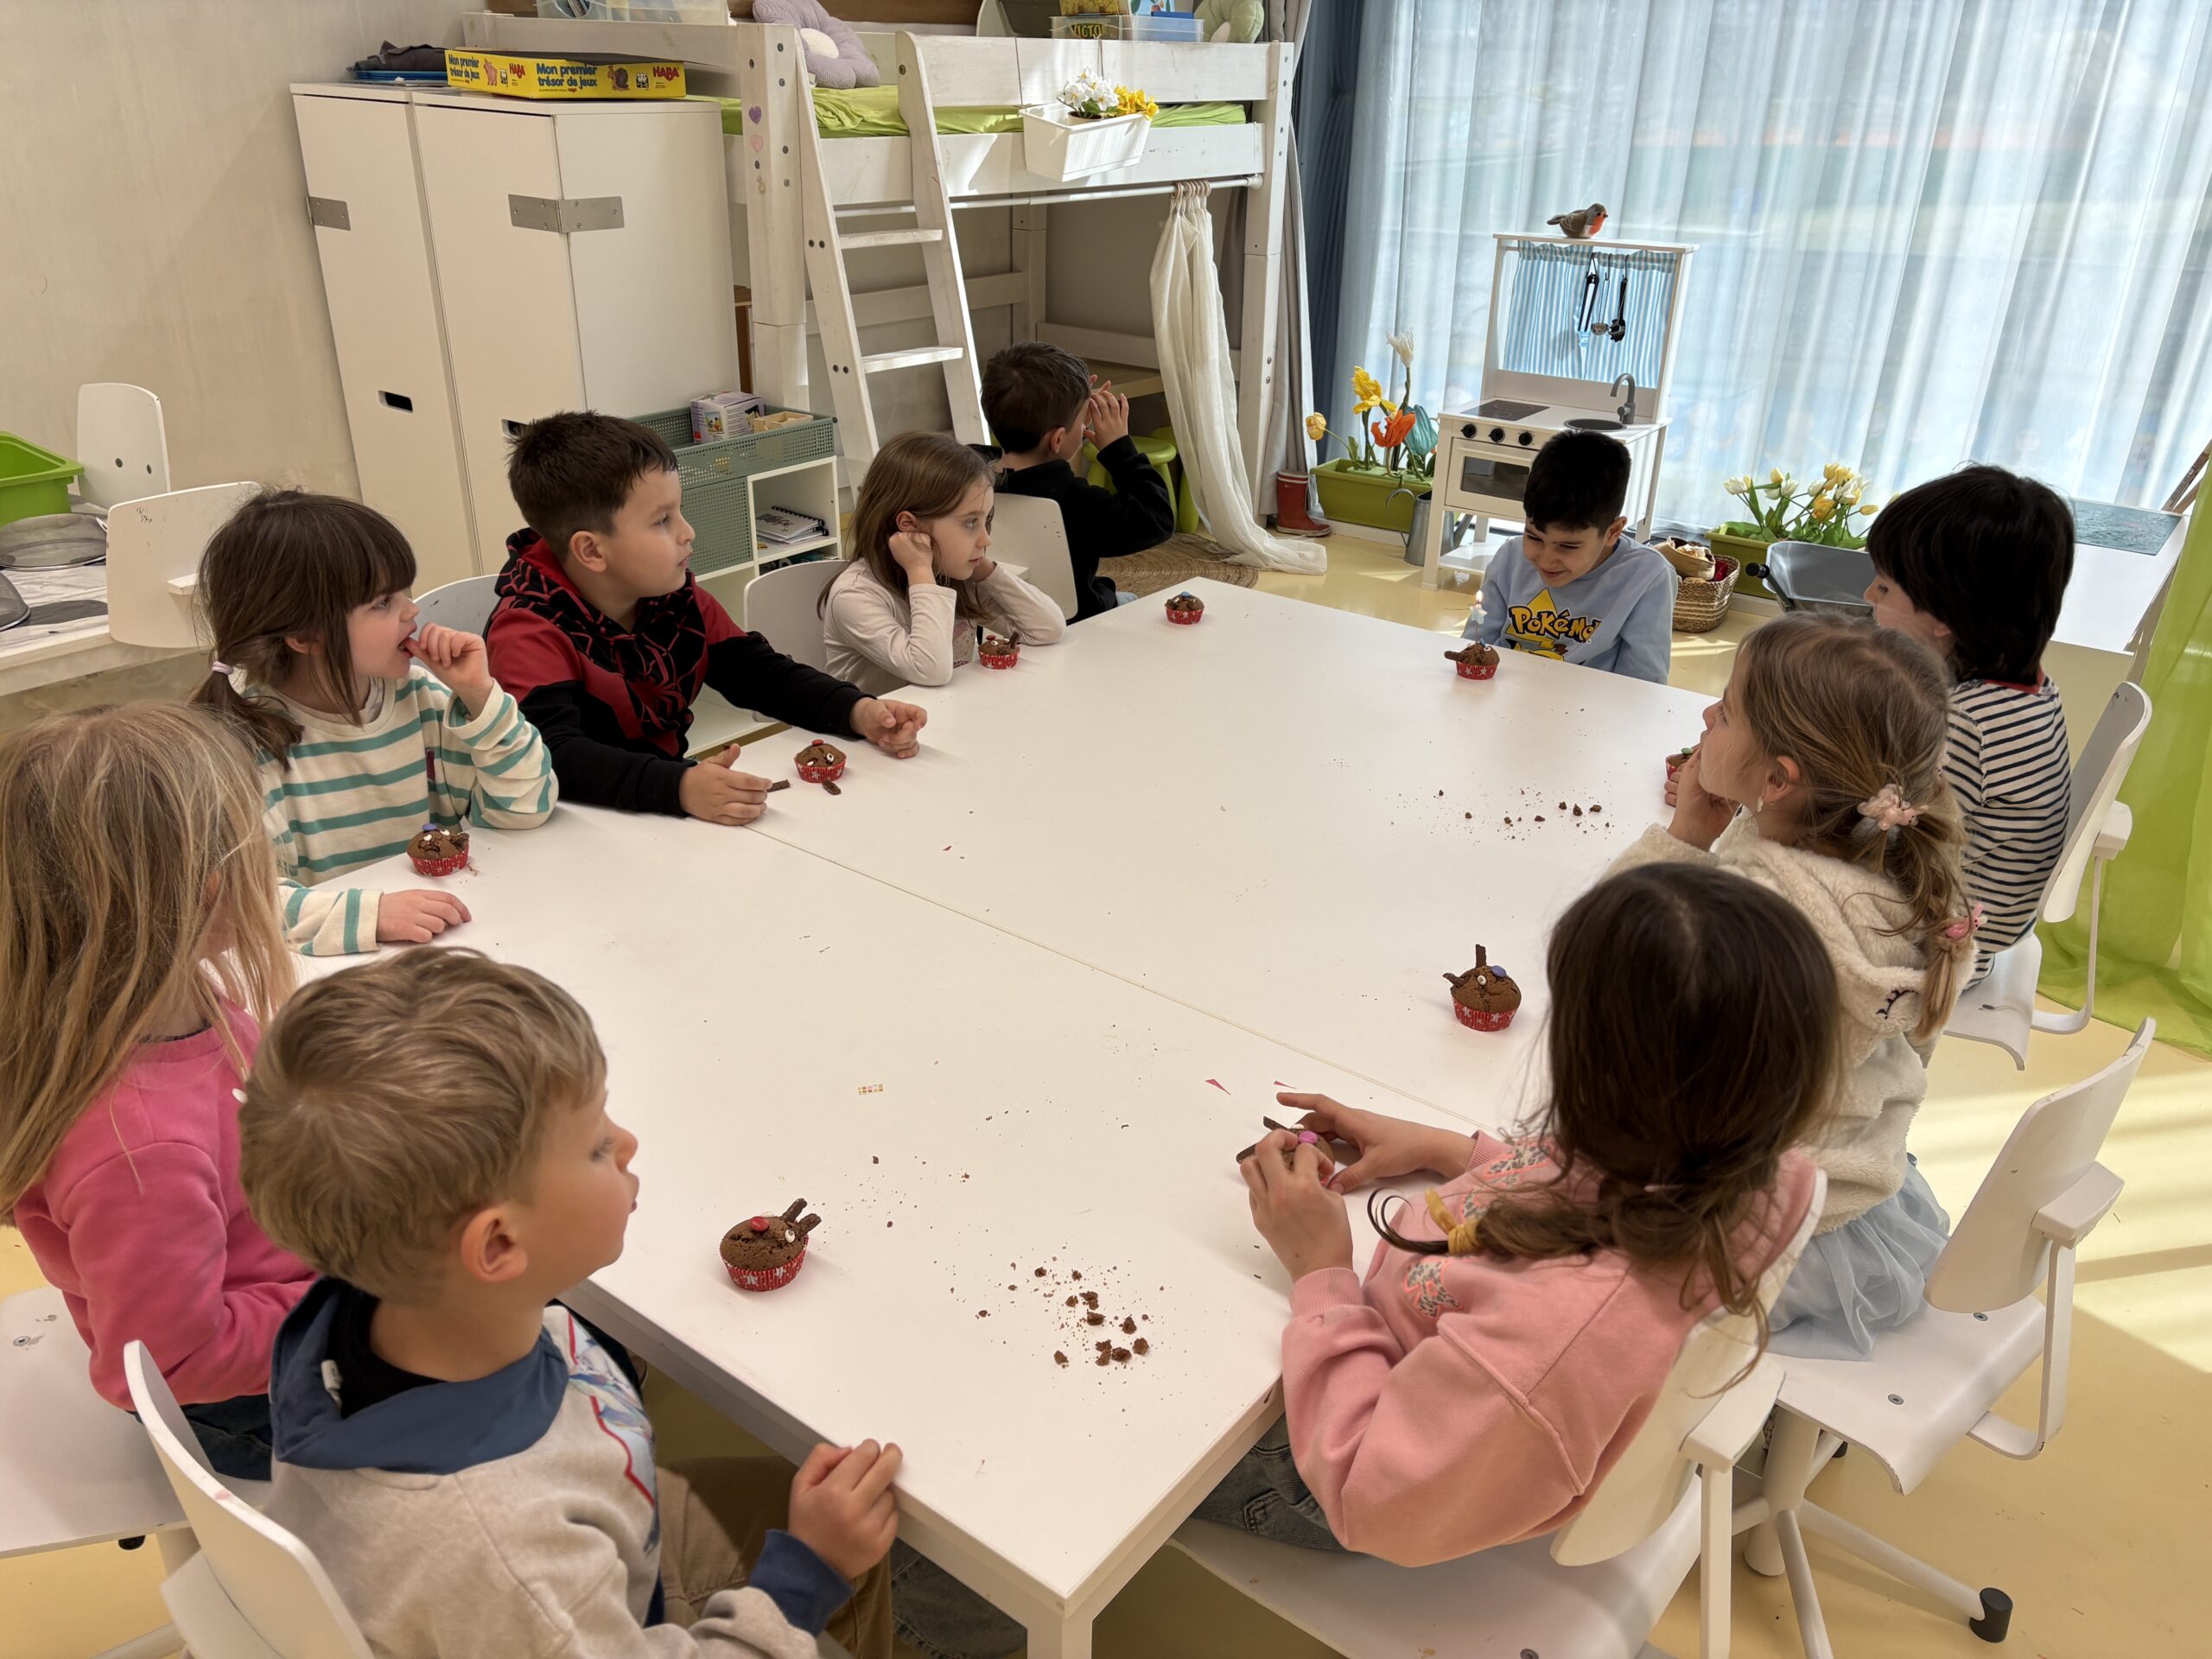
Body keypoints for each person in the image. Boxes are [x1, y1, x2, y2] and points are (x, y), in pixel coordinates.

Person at [238, 949, 899, 1658]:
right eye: (595, 1148)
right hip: (594, 1611)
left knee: (786, 1491)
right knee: (844, 1546)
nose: (628, 1143)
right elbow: (537, 1591)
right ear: (498, 1245)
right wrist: (808, 1575)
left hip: (604, 1532)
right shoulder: (511, 1560)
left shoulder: (385, 1305)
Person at [1184, 863, 1827, 1565]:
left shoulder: (1553, 1343)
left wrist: (1321, 1271)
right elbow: (1584, 1191)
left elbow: (1369, 1502)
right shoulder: (1744, 1162)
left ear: (1598, 1070)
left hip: (1345, 1465)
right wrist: (1453, 1151)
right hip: (1459, 1433)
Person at [1613, 613, 1975, 1358]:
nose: (1707, 716)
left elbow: (1611, 975)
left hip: (1764, 1236)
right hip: (1857, 1190)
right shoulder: (1887, 869)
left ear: (1778, 780)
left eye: (1727, 710)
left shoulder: (1766, 909)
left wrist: (1683, 838)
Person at [0, 705, 308, 1478]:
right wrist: (363, 1310)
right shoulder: (140, 1147)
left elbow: (246, 1128)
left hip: (287, 1291)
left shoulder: (175, 998)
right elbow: (170, 1365)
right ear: (209, 895)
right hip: (248, 1403)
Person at [486, 412, 927, 825]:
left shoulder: (677, 599)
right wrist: (678, 786)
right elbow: (554, 757)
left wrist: (856, 710)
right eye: (662, 520)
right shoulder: (527, 631)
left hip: (657, 812)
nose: (687, 531)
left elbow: (761, 676)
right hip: (577, 828)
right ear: (591, 550)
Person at [194, 490, 556, 957]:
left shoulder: (422, 700)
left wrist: (479, 696)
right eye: (383, 602)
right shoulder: (244, 748)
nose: (411, 611)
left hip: (456, 947)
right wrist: (373, 915)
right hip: (340, 977)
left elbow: (525, 809)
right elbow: (240, 909)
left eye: (404, 592)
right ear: (304, 635)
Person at [1864, 465, 2075, 982]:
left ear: (1943, 617)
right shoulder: (2027, 688)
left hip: (1940, 949)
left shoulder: (1968, 726)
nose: (1869, 596)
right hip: (1982, 923)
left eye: (1885, 587)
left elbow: (1893, 842)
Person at [822, 433, 1066, 695]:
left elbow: (1047, 629)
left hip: (949, 712)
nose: (986, 539)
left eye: (986, 520)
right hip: (887, 720)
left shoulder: (953, 574)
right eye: (970, 522)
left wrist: (986, 570)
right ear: (910, 526)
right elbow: (930, 669)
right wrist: (919, 570)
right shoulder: (855, 595)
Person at [976, 341, 1174, 620]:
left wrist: (1072, 403)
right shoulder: (1077, 502)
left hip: (995, 615)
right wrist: (1119, 448)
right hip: (1073, 620)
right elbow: (1157, 518)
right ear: (1058, 439)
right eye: (1083, 423)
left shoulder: (965, 475)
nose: (1085, 427)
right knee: (1130, 601)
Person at [1459, 429, 1675, 683]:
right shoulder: (1510, 558)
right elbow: (1474, 647)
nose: (1546, 560)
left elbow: (1642, 685)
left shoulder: (1647, 576)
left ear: (1613, 532)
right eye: (1534, 537)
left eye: (1567, 546)